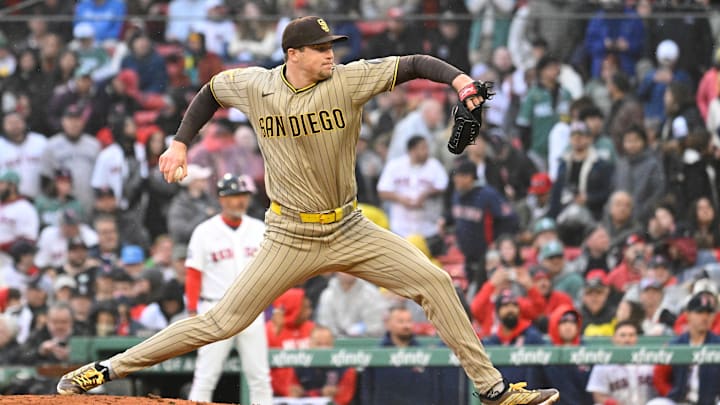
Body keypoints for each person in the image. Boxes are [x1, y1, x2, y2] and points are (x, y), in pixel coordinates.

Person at [58, 16, 560, 405]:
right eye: (321, 49)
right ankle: (107, 369)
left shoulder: (348, 80)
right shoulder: (256, 85)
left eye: (332, 47)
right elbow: (211, 91)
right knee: (221, 322)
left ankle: (493, 390)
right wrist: (180, 143)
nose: (330, 55)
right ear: (292, 53)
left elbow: (413, 62)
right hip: (289, 235)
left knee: (436, 282)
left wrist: (460, 83)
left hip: (349, 226)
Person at [183, 173, 272, 404]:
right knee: (205, 376)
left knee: (259, 376)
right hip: (215, 309)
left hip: (251, 310)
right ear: (221, 199)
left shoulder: (259, 228)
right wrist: (192, 310)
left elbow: (272, 272)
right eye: (234, 196)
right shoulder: (204, 231)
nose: (240, 201)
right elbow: (194, 273)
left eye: (243, 195)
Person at [586, 321, 657, 405]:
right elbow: (598, 396)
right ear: (614, 339)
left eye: (631, 335)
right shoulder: (604, 364)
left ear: (636, 338)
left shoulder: (649, 360)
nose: (627, 339)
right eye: (623, 335)